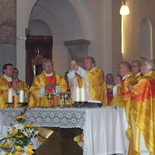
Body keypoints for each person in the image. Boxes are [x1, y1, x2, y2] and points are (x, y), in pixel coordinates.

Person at [129, 59, 155, 154]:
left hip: (144, 114)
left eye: (141, 66)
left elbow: (138, 94)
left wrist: (132, 88)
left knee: (143, 144)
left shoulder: (145, 80)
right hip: (152, 112)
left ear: (146, 67)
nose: (140, 68)